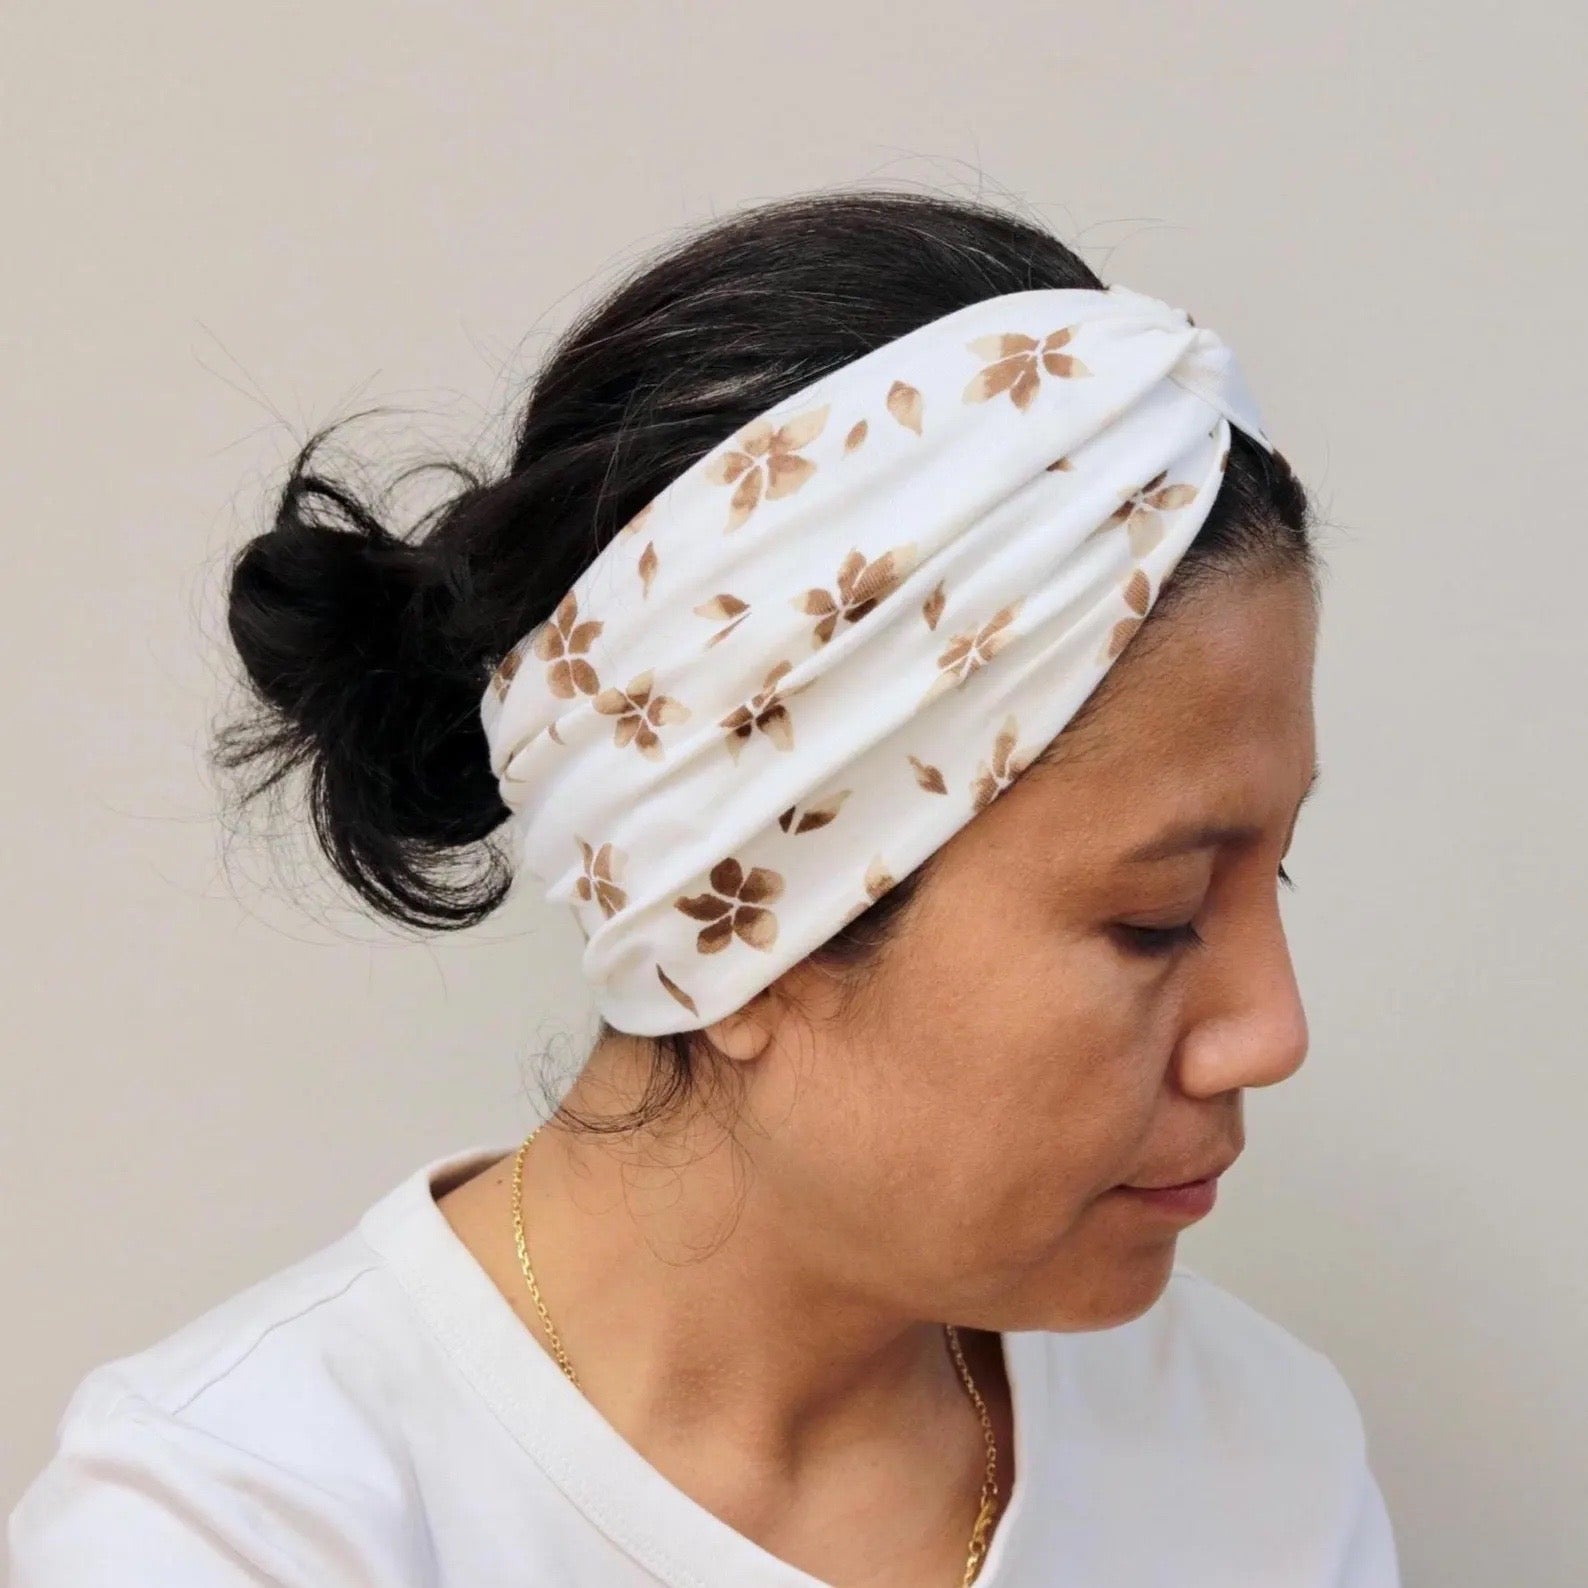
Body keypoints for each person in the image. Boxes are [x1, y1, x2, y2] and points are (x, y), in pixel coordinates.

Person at [8, 189, 1402, 1586]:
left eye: (1270, 869)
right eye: (1154, 918)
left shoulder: (1256, 1461)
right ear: (736, 923)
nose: (1271, 1032)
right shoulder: (238, 1531)